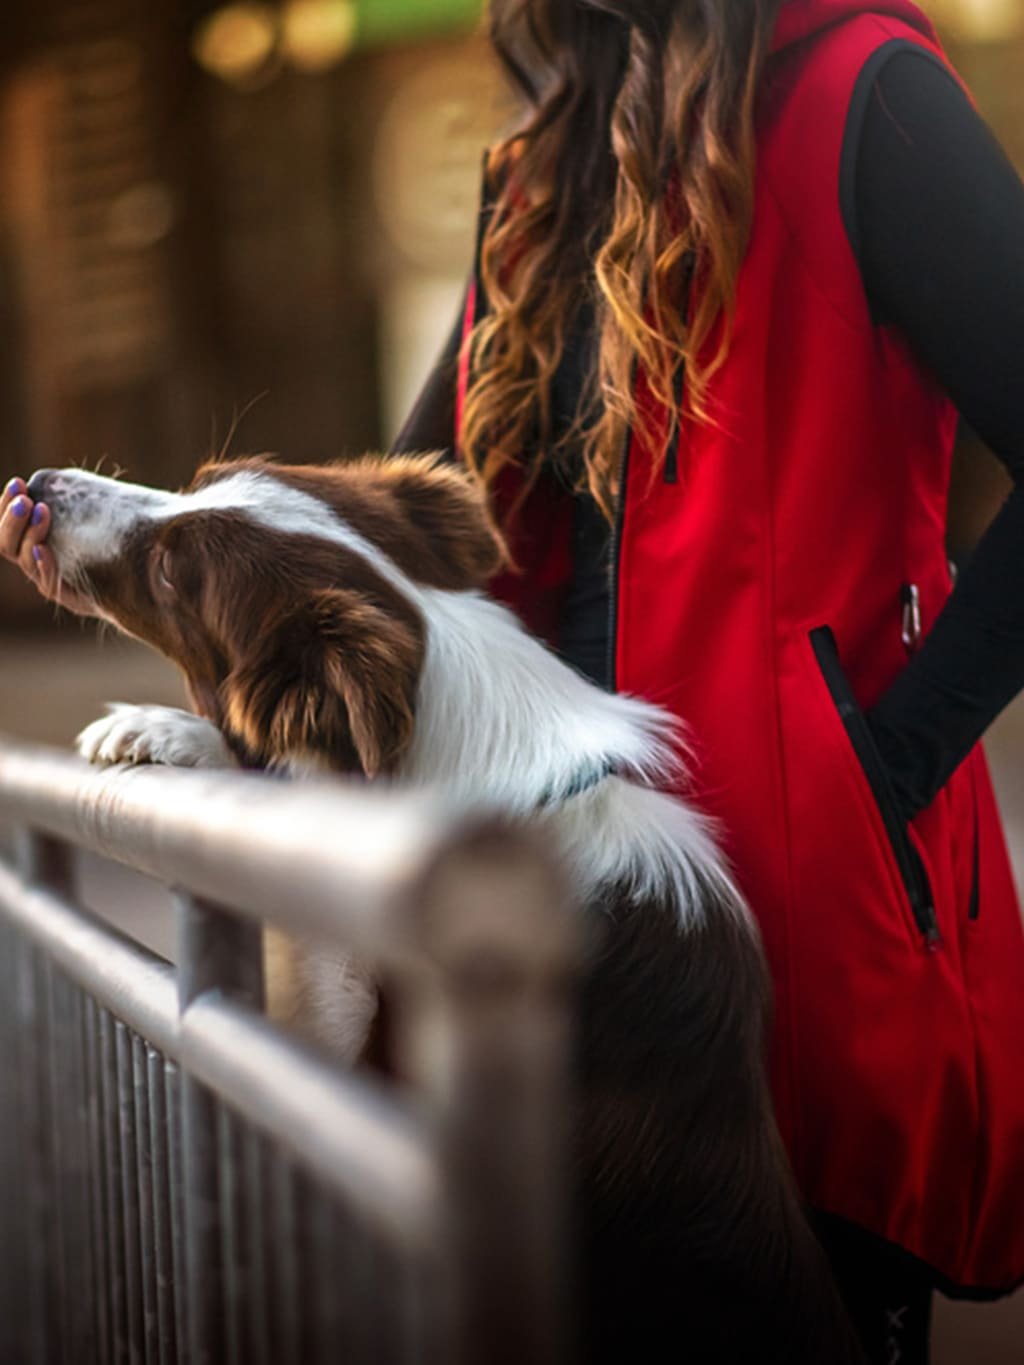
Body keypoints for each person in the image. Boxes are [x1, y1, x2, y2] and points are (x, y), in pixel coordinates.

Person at [3, 1, 1023, 1361]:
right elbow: (383, 542)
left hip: (812, 943)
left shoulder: (870, 97)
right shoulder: (539, 165)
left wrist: (885, 763)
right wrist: (113, 550)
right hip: (560, 952)